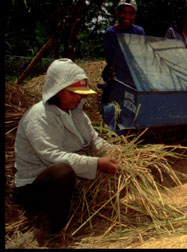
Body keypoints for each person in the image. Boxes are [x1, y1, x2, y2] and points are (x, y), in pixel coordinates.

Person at [14, 58, 120, 236]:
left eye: (81, 93)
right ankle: (56, 231)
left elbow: (95, 141)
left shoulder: (77, 114)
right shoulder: (39, 117)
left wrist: (117, 152)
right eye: (73, 93)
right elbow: (52, 156)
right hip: (36, 187)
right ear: (56, 89)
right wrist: (96, 163)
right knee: (63, 171)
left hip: (71, 183)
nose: (79, 97)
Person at [102, 0, 145, 82]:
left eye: (131, 13)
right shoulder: (111, 33)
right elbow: (111, 59)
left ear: (135, 15)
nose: (127, 16)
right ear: (117, 13)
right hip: (118, 70)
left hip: (136, 70)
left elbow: (143, 55)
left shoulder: (139, 31)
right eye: (123, 12)